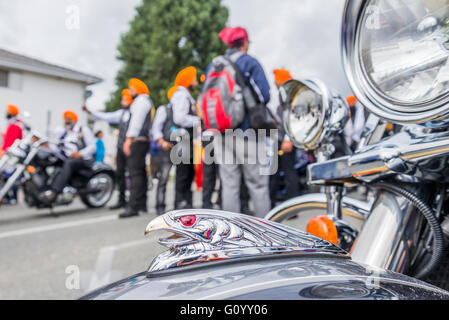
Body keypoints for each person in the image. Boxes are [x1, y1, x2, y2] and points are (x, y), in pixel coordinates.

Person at [211, 26, 272, 218]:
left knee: (229, 186)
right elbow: (265, 95)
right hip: (248, 132)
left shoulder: (215, 65)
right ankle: (265, 234)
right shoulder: (250, 63)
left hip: (221, 133)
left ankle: (232, 238)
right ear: (244, 43)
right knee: (258, 185)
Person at [83, 89, 133, 210]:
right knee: (120, 173)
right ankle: (122, 199)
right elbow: (105, 116)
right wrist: (91, 112)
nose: (122, 101)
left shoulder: (136, 113)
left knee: (133, 174)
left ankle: (134, 201)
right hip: (121, 147)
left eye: (125, 99)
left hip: (132, 148)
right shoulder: (121, 114)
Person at [41, 110, 96, 204]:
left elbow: (92, 147)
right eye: (65, 119)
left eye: (68, 119)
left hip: (83, 159)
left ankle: (55, 191)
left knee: (69, 162)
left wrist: (80, 153)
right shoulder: (65, 133)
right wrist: (47, 146)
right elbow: (57, 147)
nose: (66, 121)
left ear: (74, 120)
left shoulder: (83, 130)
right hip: (68, 159)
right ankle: (45, 188)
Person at [119, 78, 153, 218]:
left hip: (138, 141)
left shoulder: (140, 102)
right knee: (141, 172)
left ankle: (133, 206)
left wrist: (128, 140)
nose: (130, 93)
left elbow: (136, 123)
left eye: (132, 90)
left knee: (135, 173)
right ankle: (141, 203)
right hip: (142, 141)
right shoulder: (146, 101)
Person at [171, 67, 200, 210]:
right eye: (194, 79)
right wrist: (199, 120)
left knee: (188, 173)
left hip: (187, 138)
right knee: (183, 173)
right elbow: (179, 118)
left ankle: (186, 206)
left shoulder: (186, 96)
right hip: (183, 139)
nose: (196, 82)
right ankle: (180, 207)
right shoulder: (181, 95)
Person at [269, 69, 299, 208]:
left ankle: (291, 206)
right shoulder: (285, 93)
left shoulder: (290, 94)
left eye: (276, 78)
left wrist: (288, 139)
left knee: (288, 172)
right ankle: (272, 203)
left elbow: (292, 118)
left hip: (286, 140)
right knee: (275, 172)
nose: (274, 81)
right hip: (280, 139)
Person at [151, 86, 177, 215]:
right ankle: (160, 206)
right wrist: (161, 142)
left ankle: (180, 205)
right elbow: (156, 127)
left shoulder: (183, 109)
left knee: (183, 178)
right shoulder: (164, 109)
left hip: (181, 146)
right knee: (164, 177)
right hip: (168, 147)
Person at [1, 104, 24, 204]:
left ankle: (13, 198)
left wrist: (4, 151)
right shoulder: (11, 124)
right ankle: (8, 197)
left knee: (12, 176)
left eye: (8, 111)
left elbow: (11, 142)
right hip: (8, 154)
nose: (6, 113)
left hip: (11, 156)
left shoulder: (15, 125)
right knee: (6, 176)